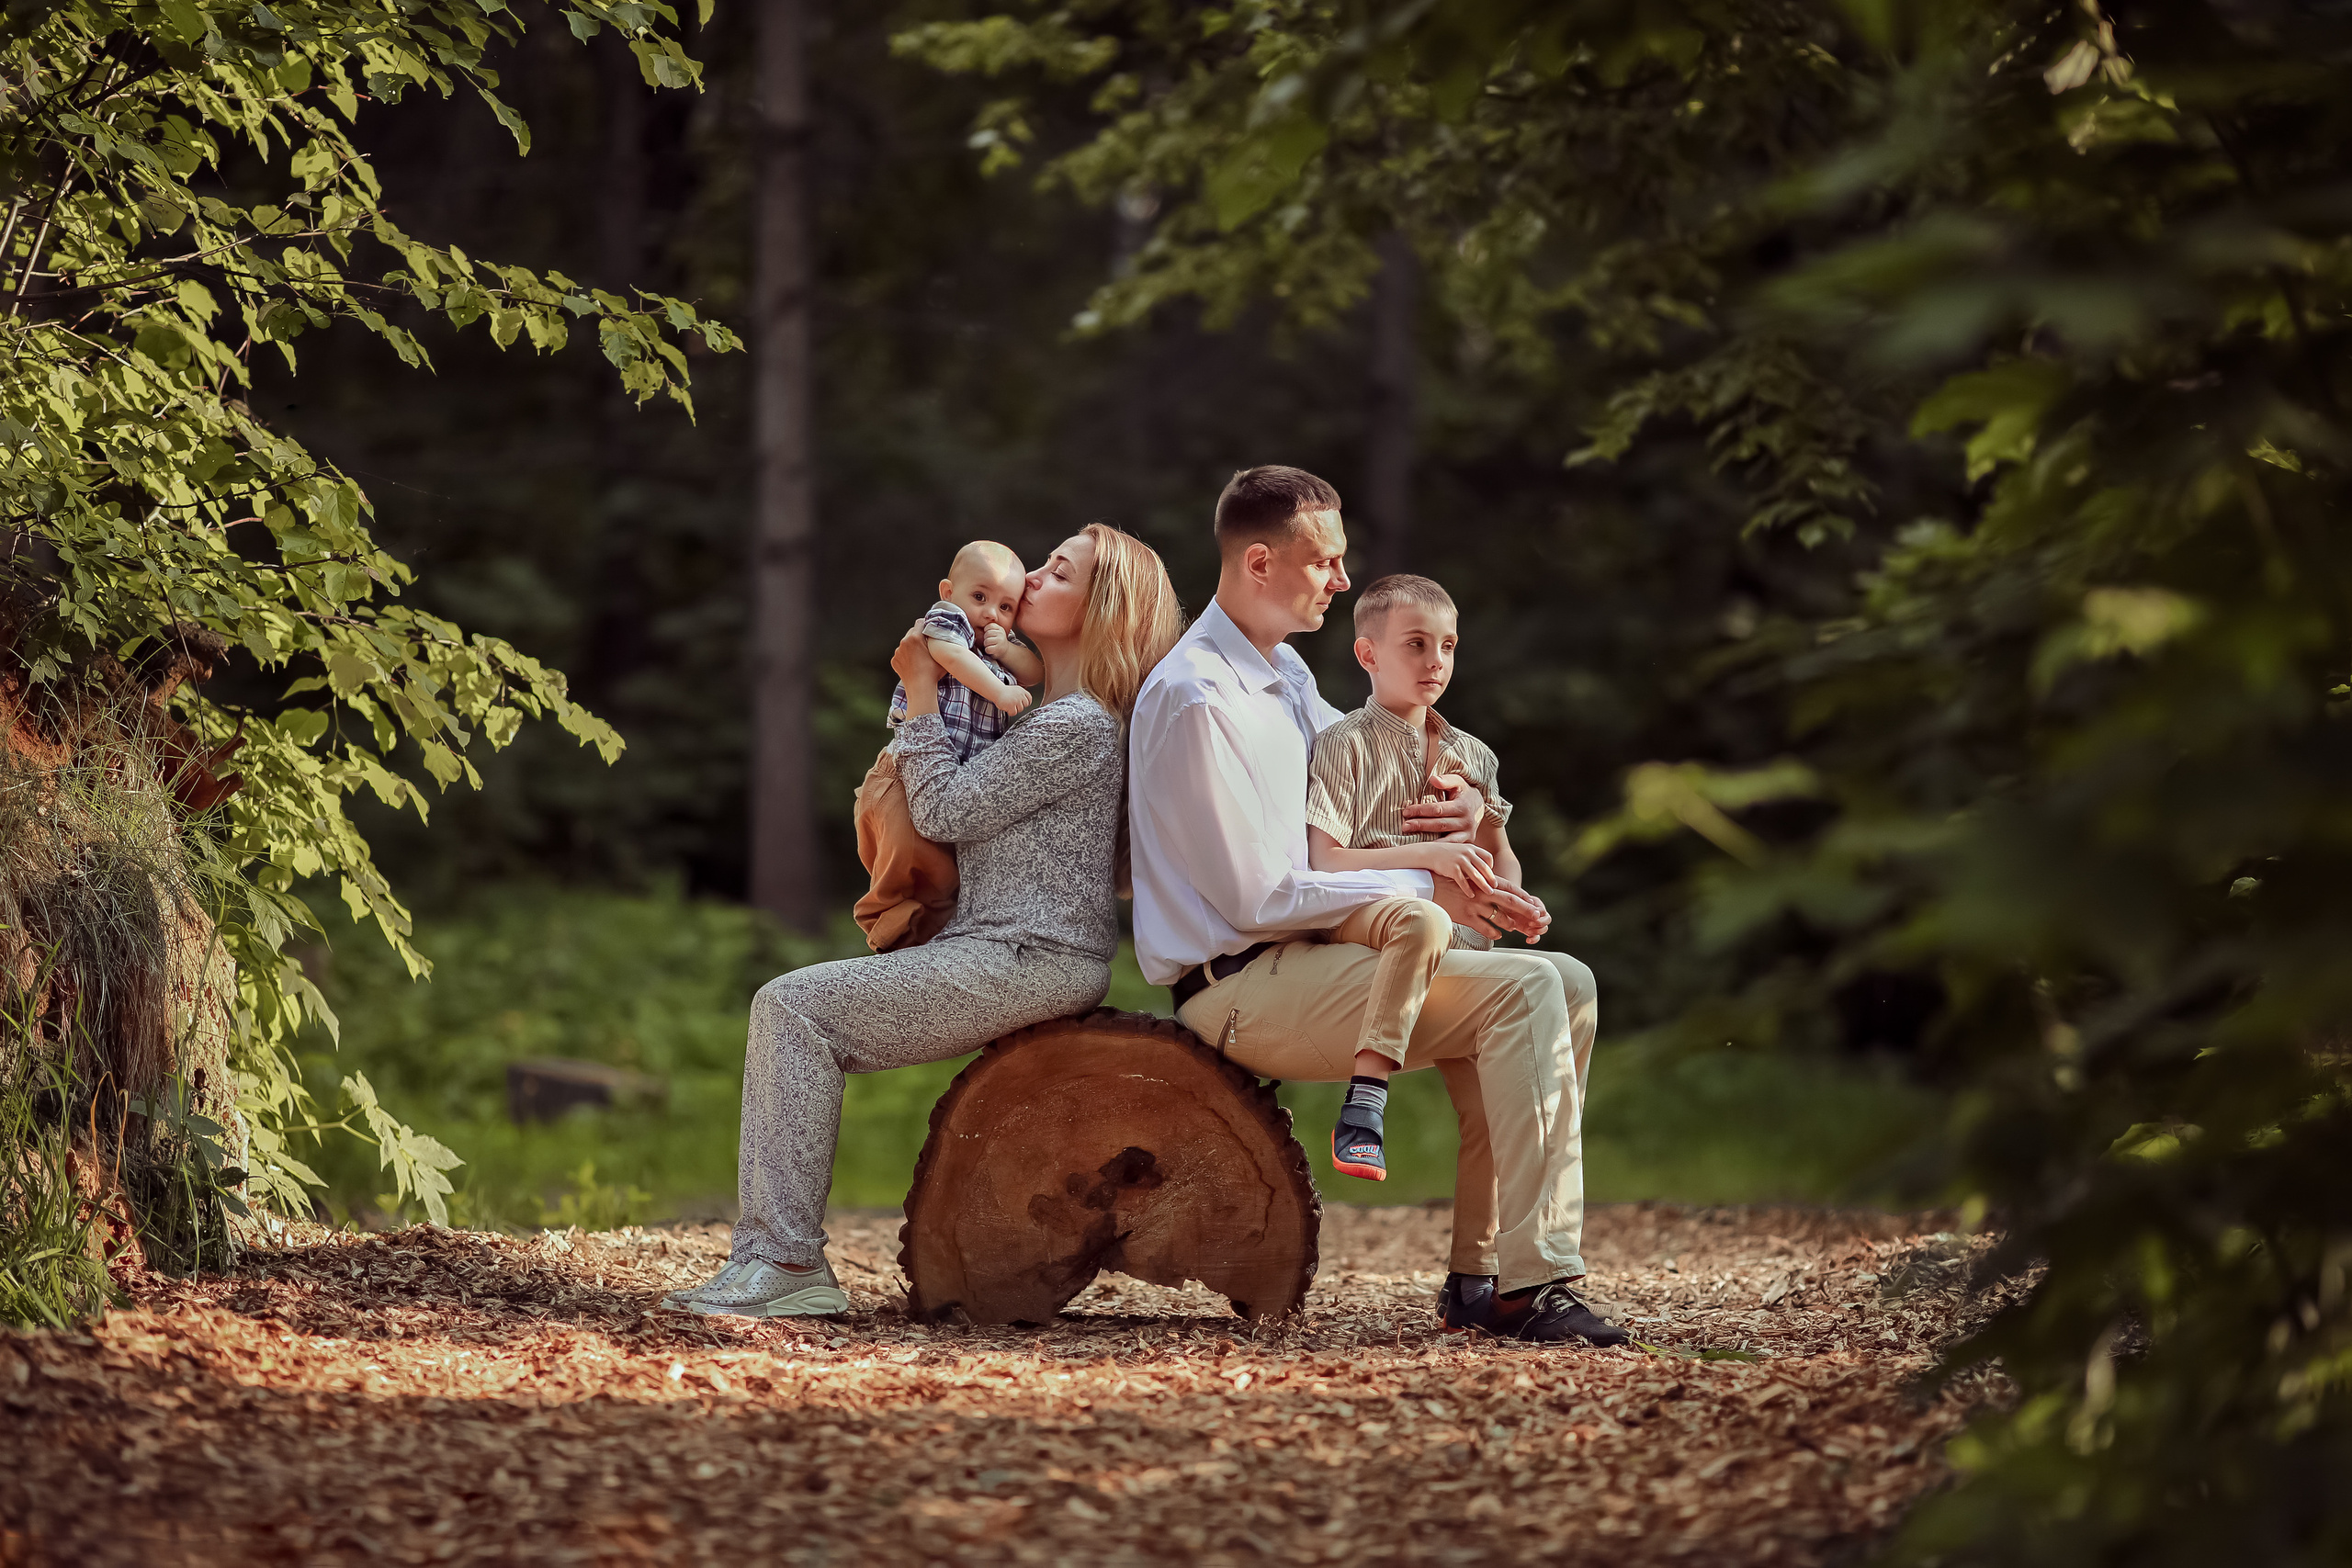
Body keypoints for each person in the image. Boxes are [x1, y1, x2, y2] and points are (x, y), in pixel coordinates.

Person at [1127, 466, 1625, 1346]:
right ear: (1257, 562)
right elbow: (1258, 895)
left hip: (1327, 960)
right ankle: (1535, 1279)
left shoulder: (1286, 678)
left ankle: (1482, 1275)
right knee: (1523, 992)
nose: (1342, 579)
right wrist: (1425, 877)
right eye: (1325, 560)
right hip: (1240, 984)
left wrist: (1475, 834)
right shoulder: (1198, 696)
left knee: (1569, 980)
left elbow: (1372, 821)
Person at [669, 523, 1184, 1318]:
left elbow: (943, 809)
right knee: (796, 1006)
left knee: (792, 1007)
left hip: (1029, 956)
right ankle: (776, 1258)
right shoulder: (1054, 714)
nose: (1034, 577)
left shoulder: (1076, 723)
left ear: (1100, 609)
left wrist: (915, 687)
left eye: (1058, 571)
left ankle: (784, 1261)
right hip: (1013, 947)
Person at [1303, 572, 1521, 1184]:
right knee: (1420, 916)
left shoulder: (1474, 757)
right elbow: (1326, 860)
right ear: (1368, 654)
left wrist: (1510, 894)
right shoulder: (1341, 743)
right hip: (1371, 918)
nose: (1436, 662)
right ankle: (1366, 1099)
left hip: (1461, 941)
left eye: (1448, 645)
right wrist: (1426, 859)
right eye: (1416, 644)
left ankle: (1477, 1271)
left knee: (1490, 1112)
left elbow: (1501, 862)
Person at [853, 539, 1046, 952]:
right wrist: (998, 690)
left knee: (939, 873)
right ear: (948, 592)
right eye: (980, 596)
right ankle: (882, 920)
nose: (991, 613)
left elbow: (1034, 672)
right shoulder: (949, 622)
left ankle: (920, 936)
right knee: (904, 850)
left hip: (946, 776)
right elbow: (948, 656)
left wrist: (1007, 648)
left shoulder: (994, 649)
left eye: (1006, 607)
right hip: (903, 776)